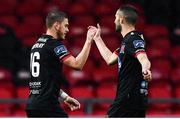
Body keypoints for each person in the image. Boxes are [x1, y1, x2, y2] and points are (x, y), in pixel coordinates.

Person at [25, 10, 96, 117]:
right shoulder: (54, 45)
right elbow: (77, 64)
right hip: (47, 106)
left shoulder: (36, 46)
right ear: (57, 25)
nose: (67, 30)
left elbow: (45, 82)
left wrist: (65, 97)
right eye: (65, 26)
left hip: (32, 106)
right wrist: (89, 40)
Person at [92, 5, 152, 117]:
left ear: (121, 19)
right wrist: (97, 39)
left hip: (127, 99)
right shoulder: (126, 42)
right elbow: (109, 60)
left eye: (115, 18)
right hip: (134, 99)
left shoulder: (133, 39)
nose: (114, 21)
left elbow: (143, 58)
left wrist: (145, 69)